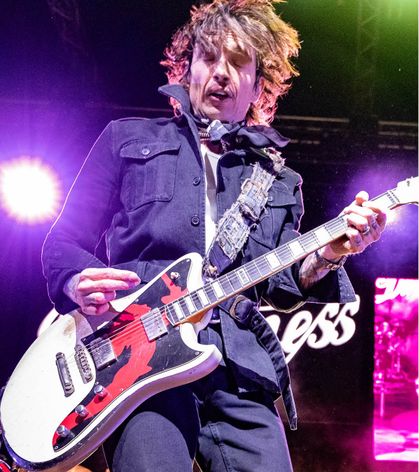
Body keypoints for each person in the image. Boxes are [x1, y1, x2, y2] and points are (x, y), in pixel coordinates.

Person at [41, 0, 385, 470]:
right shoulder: (125, 137)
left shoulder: (278, 180)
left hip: (239, 367)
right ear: (187, 70)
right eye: (209, 58)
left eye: (238, 63)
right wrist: (75, 280)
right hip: (140, 362)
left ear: (258, 86)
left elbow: (281, 286)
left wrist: (329, 253)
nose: (221, 73)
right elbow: (63, 243)